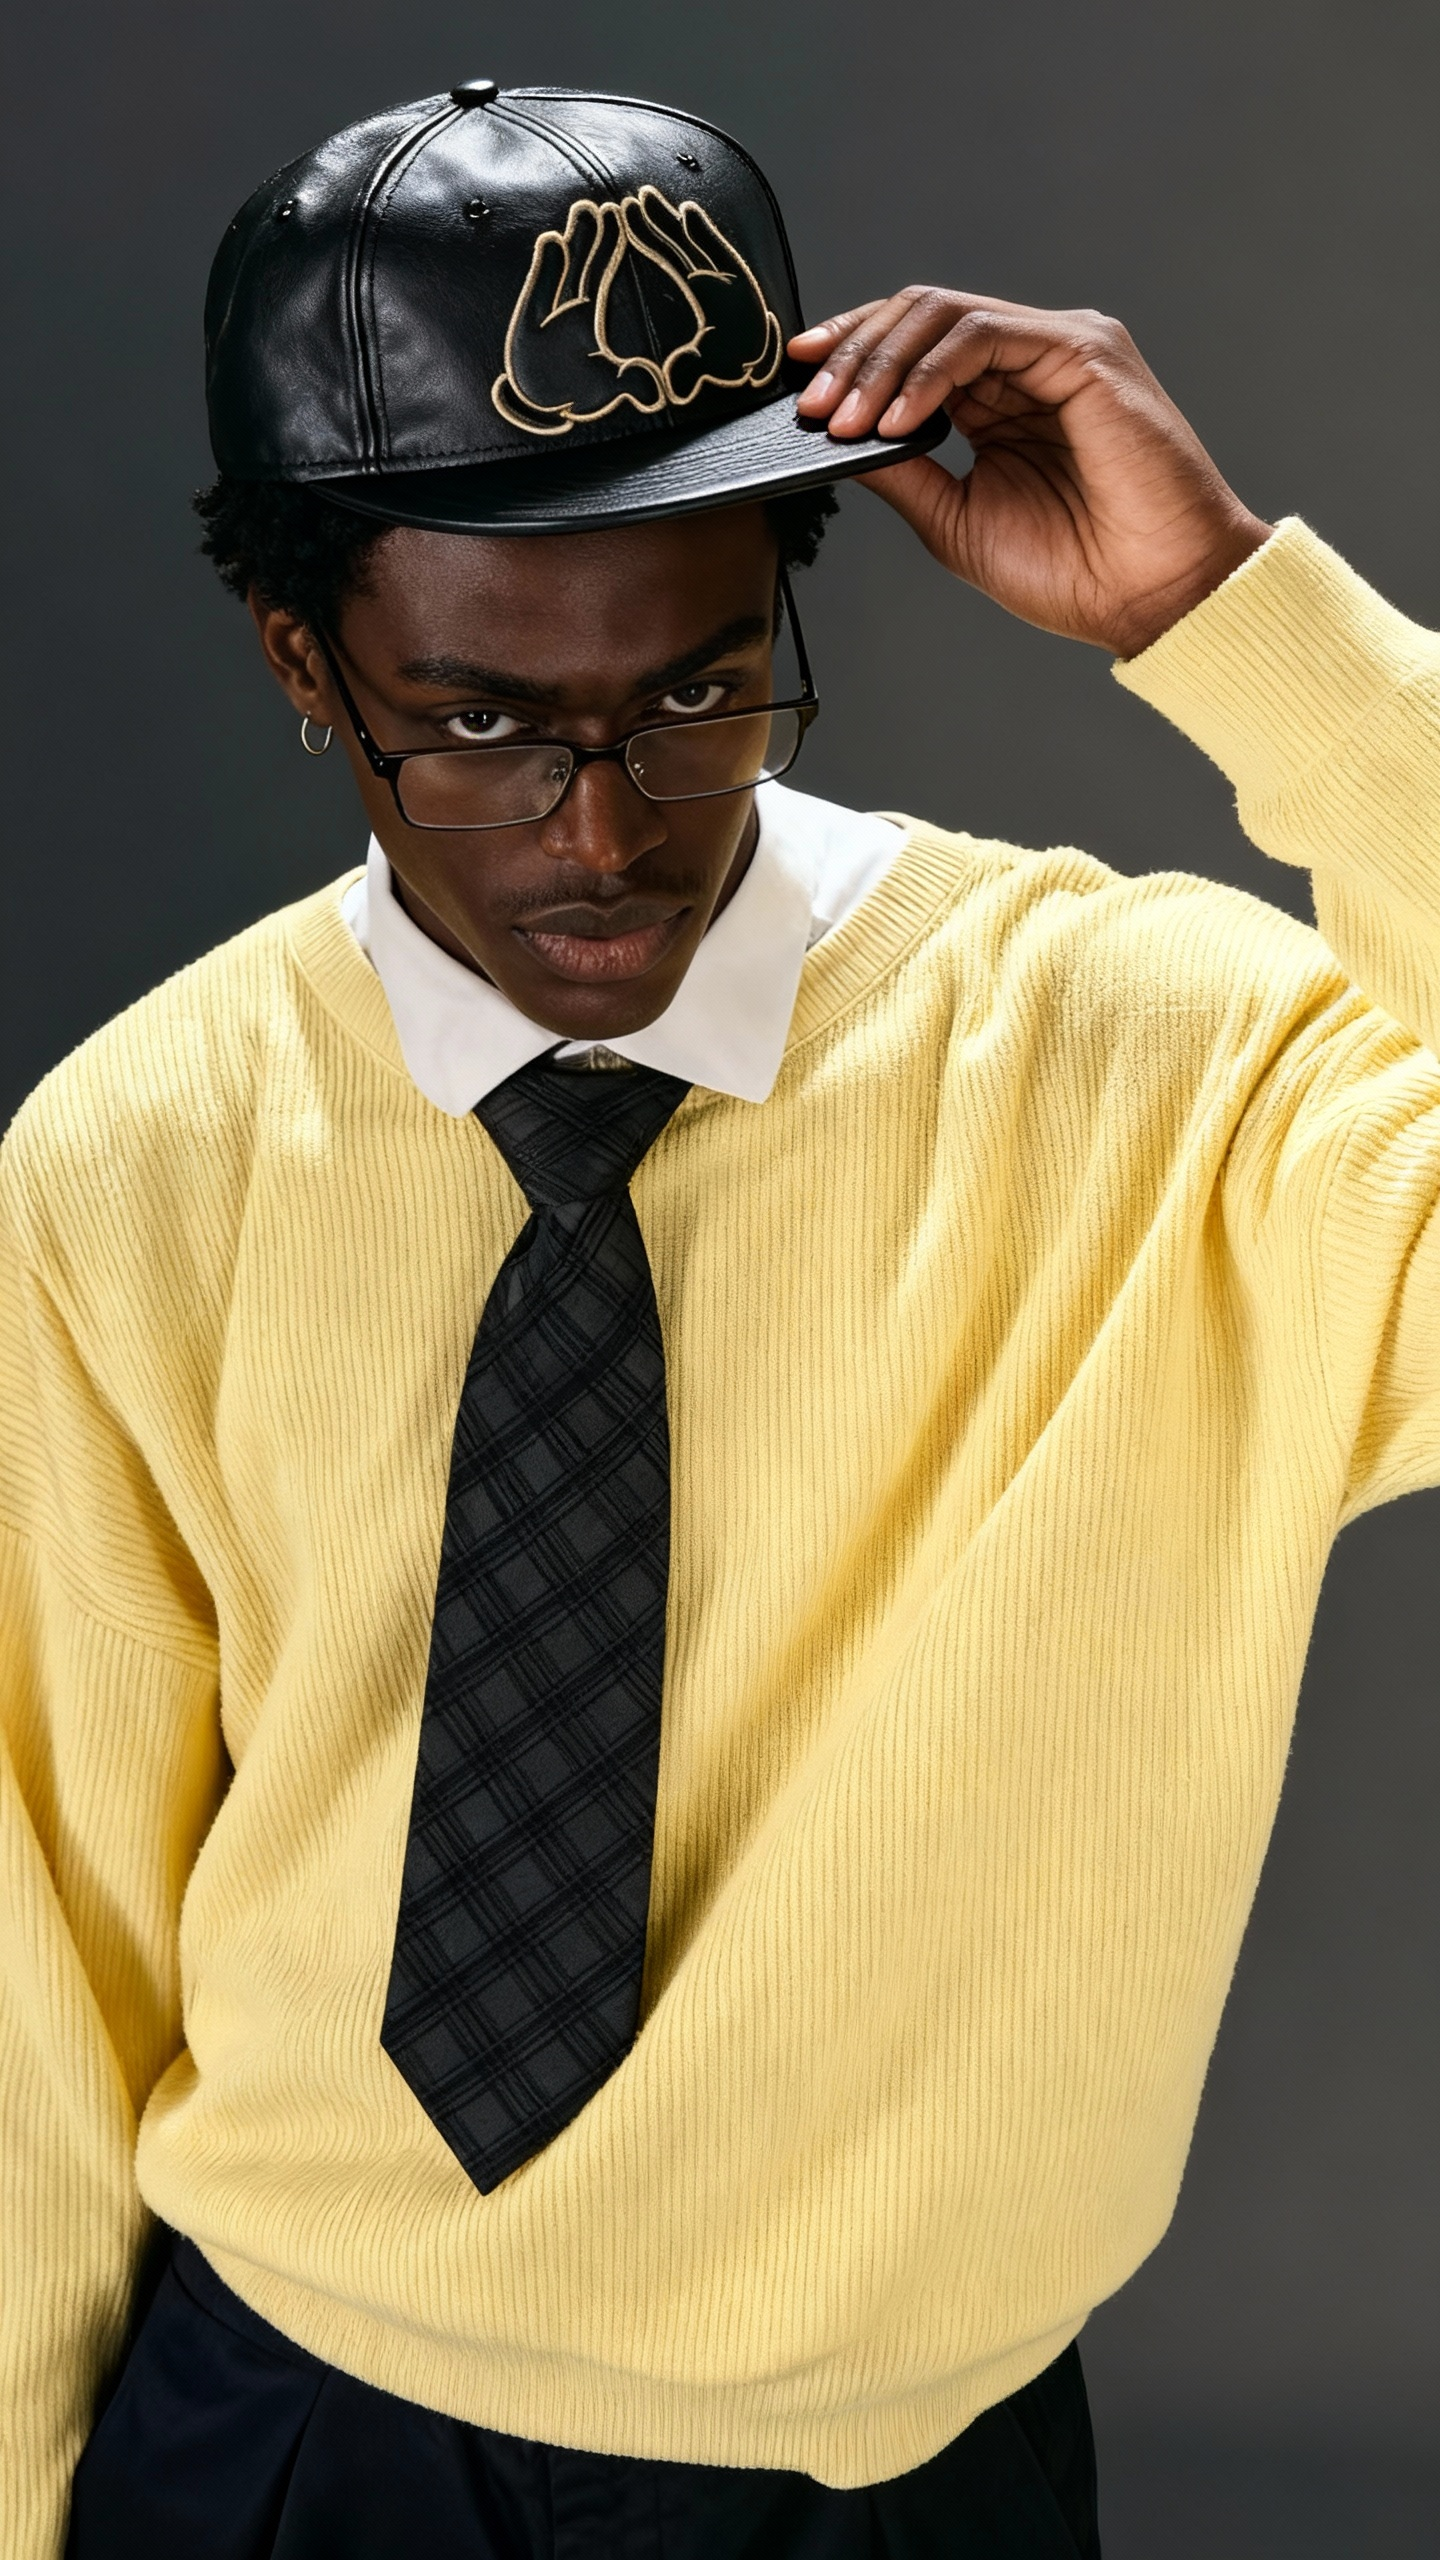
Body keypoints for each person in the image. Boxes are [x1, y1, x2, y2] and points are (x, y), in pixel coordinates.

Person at [2, 76, 1436, 2560]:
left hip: (896, 2479)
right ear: (306, 661)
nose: (603, 830)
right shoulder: (139, 1156)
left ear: (786, 587)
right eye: (480, 721)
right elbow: (44, 1942)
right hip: (289, 2430)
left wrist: (1244, 631)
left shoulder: (1174, 1080)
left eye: (696, 689)